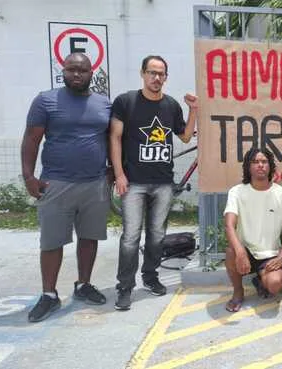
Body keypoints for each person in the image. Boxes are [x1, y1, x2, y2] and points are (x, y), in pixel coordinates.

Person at [21, 53, 111, 322]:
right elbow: (31, 140)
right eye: (71, 69)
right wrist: (28, 177)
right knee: (52, 241)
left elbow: (110, 138)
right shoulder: (45, 100)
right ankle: (49, 295)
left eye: (82, 70)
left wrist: (112, 169)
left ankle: (83, 284)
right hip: (56, 182)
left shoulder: (104, 103)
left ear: (91, 73)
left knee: (90, 237)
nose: (76, 74)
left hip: (95, 183)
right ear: (63, 71)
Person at [110, 55, 198, 310]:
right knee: (130, 236)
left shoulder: (171, 106)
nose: (156, 77)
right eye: (152, 72)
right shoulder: (126, 102)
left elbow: (184, 136)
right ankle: (124, 287)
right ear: (142, 73)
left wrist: (194, 109)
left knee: (157, 235)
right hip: (134, 182)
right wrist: (119, 174)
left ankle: (150, 276)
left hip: (162, 182)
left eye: (161, 73)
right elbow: (114, 138)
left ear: (166, 77)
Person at [222, 148, 282, 312]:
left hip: (270, 254)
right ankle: (238, 292)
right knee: (231, 252)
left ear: (270, 166)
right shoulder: (237, 192)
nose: (260, 165)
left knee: (275, 285)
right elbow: (229, 225)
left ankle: (261, 280)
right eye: (255, 162)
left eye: (264, 162)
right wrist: (240, 252)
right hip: (246, 251)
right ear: (248, 167)